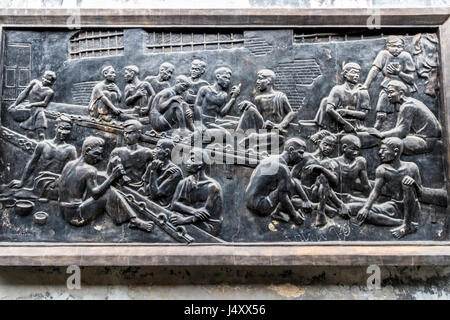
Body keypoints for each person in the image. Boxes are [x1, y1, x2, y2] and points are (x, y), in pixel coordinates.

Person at [58, 136, 154, 232]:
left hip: (63, 211)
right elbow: (95, 194)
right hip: (76, 216)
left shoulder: (69, 164)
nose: (99, 158)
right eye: (97, 154)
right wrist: (112, 177)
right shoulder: (90, 170)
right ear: (87, 150)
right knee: (108, 193)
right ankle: (134, 220)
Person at [355, 137, 421, 238]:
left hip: (412, 208)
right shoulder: (382, 169)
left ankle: (407, 225)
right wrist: (366, 208)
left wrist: (414, 184)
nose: (380, 152)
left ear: (395, 151)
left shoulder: (412, 167)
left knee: (406, 183)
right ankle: (402, 223)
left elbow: (421, 193)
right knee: (365, 215)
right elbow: (375, 192)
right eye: (380, 149)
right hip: (394, 206)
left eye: (384, 149)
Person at [244, 138, 312, 225]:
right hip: (259, 206)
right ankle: (278, 213)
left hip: (250, 201)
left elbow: (292, 181)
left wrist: (306, 200)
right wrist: (295, 215)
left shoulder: (273, 159)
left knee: (289, 182)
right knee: (287, 186)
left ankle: (286, 208)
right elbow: (283, 195)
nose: (302, 157)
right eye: (300, 153)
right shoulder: (282, 168)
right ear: (291, 150)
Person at [9, 115, 77, 199]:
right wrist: (22, 182)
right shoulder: (43, 145)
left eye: (67, 129)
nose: (63, 132)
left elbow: (73, 172)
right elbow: (31, 164)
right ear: (56, 127)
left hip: (57, 185)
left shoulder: (70, 149)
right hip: (40, 182)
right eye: (61, 128)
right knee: (15, 194)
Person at [367, 80, 441, 155]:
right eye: (388, 93)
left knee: (391, 144)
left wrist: (381, 134)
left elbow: (402, 131)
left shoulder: (407, 106)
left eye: (391, 92)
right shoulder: (410, 102)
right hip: (422, 138)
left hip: (425, 141)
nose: (388, 95)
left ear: (401, 93)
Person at [362, 36, 417, 131]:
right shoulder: (383, 54)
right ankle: (378, 126)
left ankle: (405, 129)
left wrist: (399, 73)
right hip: (388, 85)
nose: (396, 48)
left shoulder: (406, 56)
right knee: (382, 104)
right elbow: (374, 70)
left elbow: (411, 79)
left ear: (403, 47)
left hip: (403, 87)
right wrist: (366, 85)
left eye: (399, 46)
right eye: (393, 46)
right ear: (387, 46)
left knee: (403, 108)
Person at [169, 149, 223, 236]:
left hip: (209, 225)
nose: (187, 162)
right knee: (171, 219)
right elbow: (174, 204)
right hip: (192, 217)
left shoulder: (212, 187)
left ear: (200, 164)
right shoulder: (184, 182)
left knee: (176, 225)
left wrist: (182, 221)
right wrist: (194, 211)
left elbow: (204, 214)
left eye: (192, 159)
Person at [314, 62, 370, 134]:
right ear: (345, 74)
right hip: (337, 125)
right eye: (353, 72)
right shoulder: (337, 89)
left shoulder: (362, 92)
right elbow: (329, 109)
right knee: (325, 101)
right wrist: (345, 124)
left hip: (356, 126)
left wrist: (346, 112)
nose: (356, 75)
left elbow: (364, 115)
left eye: (358, 73)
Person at [8, 71, 57, 141]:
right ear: (43, 77)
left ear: (51, 83)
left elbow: (44, 103)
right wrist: (15, 104)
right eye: (45, 78)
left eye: (49, 80)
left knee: (41, 132)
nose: (46, 81)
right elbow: (24, 93)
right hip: (28, 110)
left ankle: (42, 146)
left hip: (39, 110)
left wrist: (31, 105)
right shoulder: (34, 83)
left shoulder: (50, 92)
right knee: (29, 132)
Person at [107, 120, 154, 189]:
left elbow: (151, 176)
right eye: (125, 133)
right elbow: (108, 174)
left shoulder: (147, 153)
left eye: (130, 133)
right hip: (119, 189)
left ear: (138, 133)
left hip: (140, 190)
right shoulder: (117, 152)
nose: (126, 136)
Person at [141, 139, 183, 207]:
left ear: (166, 152)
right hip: (149, 203)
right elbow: (146, 191)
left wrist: (153, 172)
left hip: (162, 208)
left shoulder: (175, 172)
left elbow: (155, 195)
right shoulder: (152, 166)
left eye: (157, 148)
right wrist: (163, 176)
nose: (154, 151)